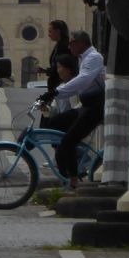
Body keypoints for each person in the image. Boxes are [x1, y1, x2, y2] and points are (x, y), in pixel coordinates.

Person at [39, 30, 105, 187]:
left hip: (94, 107)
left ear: (81, 43)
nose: (69, 47)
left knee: (67, 143)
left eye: (71, 43)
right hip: (86, 105)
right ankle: (67, 167)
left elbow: (83, 80)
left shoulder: (94, 57)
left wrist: (56, 92)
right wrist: (51, 95)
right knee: (54, 122)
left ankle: (72, 182)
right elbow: (78, 86)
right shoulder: (84, 58)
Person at [43, 19, 72, 93]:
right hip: (57, 85)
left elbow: (62, 68)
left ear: (58, 31)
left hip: (60, 86)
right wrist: (45, 71)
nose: (49, 35)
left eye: (50, 31)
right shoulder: (59, 45)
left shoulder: (64, 46)